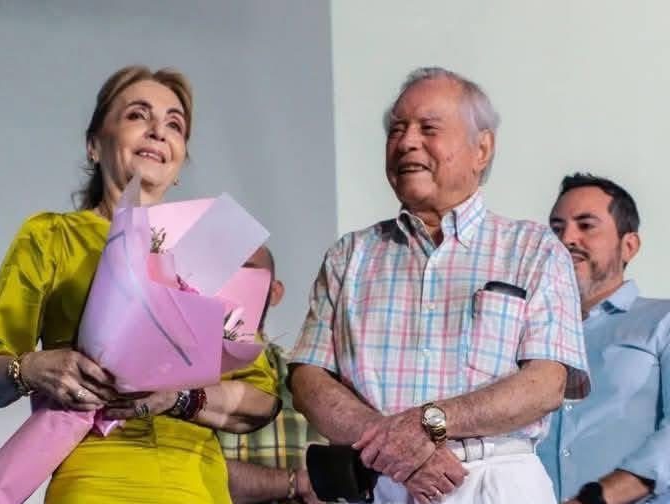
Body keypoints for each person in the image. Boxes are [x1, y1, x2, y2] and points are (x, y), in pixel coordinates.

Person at [0, 65, 279, 504]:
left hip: (196, 486)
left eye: (174, 124)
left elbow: (261, 400)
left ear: (180, 161)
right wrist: (32, 369)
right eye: (137, 115)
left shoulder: (212, 249)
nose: (158, 130)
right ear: (94, 144)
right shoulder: (52, 236)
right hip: (94, 480)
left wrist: (181, 398)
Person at [289, 67, 590, 504]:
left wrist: (427, 424)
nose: (407, 142)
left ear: (481, 149)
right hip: (380, 481)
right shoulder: (349, 255)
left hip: (493, 481)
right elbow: (308, 379)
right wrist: (393, 447)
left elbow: (545, 384)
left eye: (428, 128)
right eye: (397, 129)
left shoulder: (533, 249)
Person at [538, 173, 670, 504]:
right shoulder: (530, 332)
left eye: (586, 225)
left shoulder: (663, 321)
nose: (567, 239)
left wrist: (596, 498)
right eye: (556, 228)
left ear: (629, 246)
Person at [217, 246, 324, 504]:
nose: (235, 283)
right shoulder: (175, 379)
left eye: (248, 272)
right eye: (225, 273)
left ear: (275, 292)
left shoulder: (307, 379)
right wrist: (296, 483)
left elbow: (328, 484)